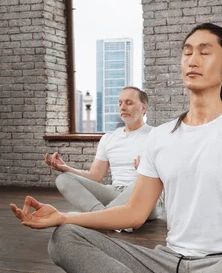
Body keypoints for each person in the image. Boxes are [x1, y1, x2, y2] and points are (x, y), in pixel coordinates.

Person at [11, 23, 222, 273]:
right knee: (64, 239)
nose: (192, 60)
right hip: (168, 262)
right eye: (187, 52)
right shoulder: (160, 137)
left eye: (205, 52)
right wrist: (64, 217)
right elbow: (134, 213)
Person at [45, 87, 162, 229]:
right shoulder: (108, 139)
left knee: (139, 183)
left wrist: (146, 171)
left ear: (143, 108)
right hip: (115, 192)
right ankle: (104, 218)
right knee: (63, 178)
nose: (123, 107)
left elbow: (166, 176)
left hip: (145, 194)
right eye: (120, 103)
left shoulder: (157, 135)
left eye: (129, 103)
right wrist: (66, 168)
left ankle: (96, 219)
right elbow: (94, 176)